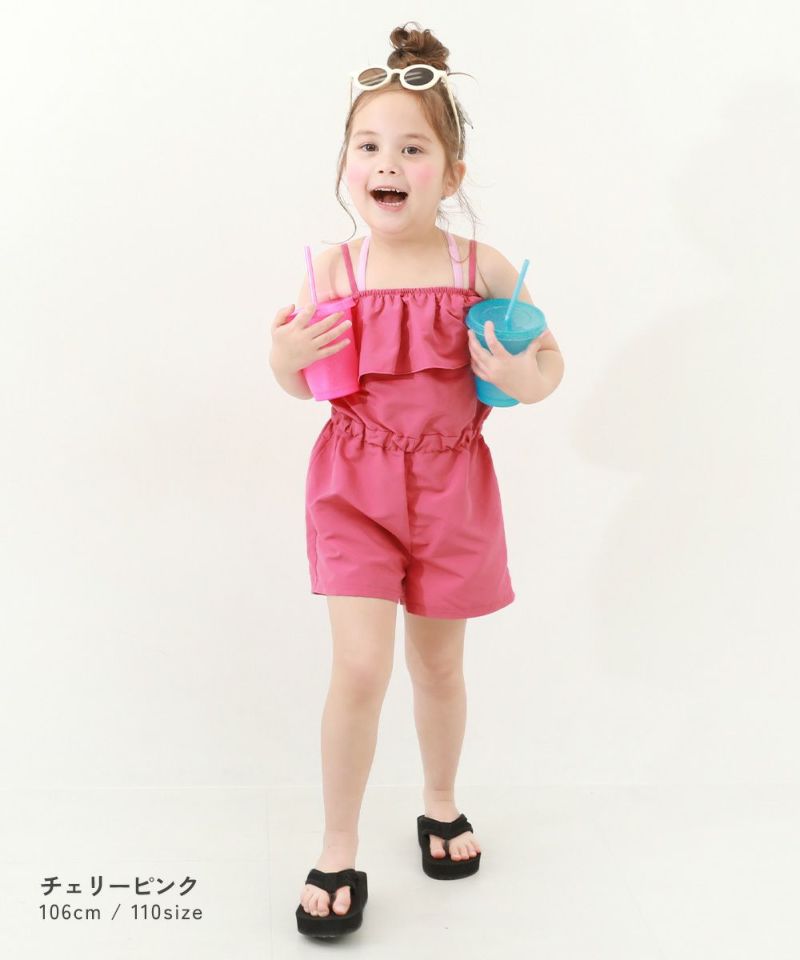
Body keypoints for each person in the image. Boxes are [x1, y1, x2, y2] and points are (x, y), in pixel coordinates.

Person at [269, 21, 564, 939]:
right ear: (346, 164)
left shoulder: (482, 267)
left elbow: (548, 361)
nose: (386, 163)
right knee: (360, 667)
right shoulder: (333, 269)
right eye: (367, 146)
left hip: (453, 485)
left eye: (411, 148)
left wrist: (522, 378)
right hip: (353, 485)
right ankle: (337, 847)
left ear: (451, 173)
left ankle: (440, 801)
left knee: (437, 664)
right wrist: (283, 359)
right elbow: (301, 379)